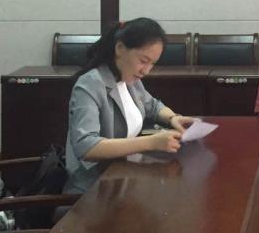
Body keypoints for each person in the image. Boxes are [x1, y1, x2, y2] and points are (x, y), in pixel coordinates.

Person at [63, 18, 196, 194]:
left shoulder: (129, 79)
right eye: (143, 60)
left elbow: (153, 106)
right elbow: (87, 147)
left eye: (152, 64)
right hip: (93, 189)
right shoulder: (90, 85)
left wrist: (173, 118)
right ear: (119, 48)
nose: (146, 71)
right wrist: (151, 142)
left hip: (122, 178)